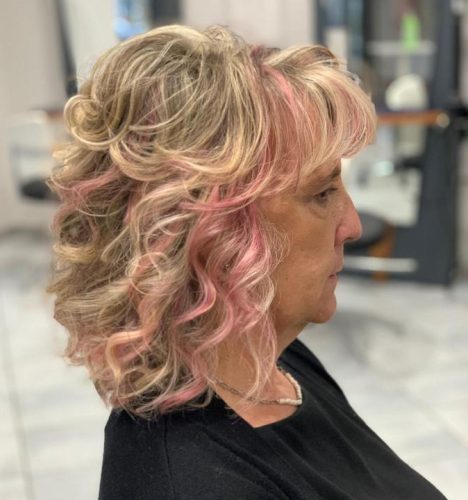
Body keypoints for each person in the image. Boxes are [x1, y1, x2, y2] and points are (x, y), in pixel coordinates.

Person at [46, 25, 446, 500]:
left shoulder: (272, 358)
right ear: (210, 232)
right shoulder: (192, 484)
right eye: (321, 193)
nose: (353, 225)